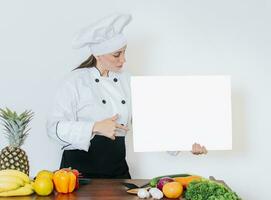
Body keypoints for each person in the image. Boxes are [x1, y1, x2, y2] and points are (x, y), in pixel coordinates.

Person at [47, 13, 207, 179]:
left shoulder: (128, 79)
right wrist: (95, 127)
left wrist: (187, 143)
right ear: (98, 55)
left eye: (124, 52)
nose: (123, 60)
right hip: (76, 172)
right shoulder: (74, 81)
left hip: (116, 169)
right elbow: (53, 128)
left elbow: (150, 122)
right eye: (117, 54)